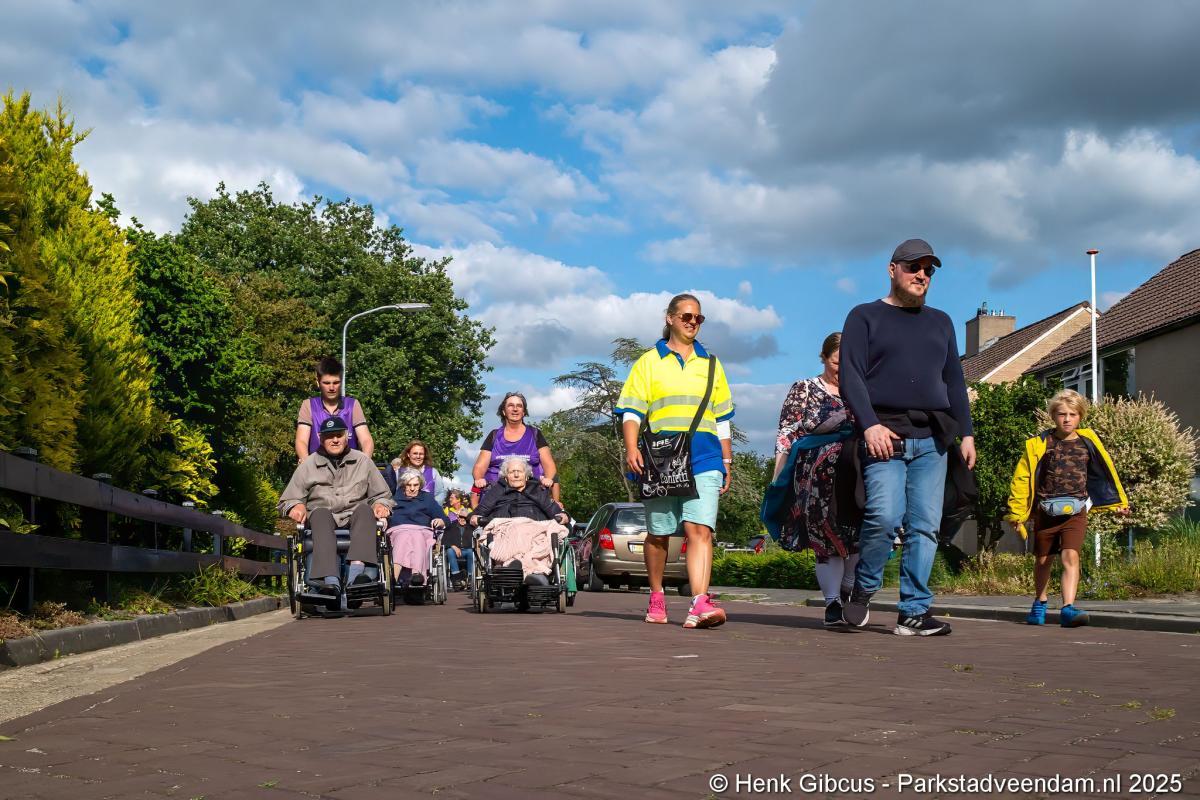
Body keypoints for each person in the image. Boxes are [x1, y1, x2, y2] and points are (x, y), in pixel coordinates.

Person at [839, 239, 975, 637]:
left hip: (933, 440)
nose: (921, 275)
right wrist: (869, 424)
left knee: (925, 527)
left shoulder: (941, 322)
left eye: (928, 270)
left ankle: (913, 611)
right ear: (892, 269)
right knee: (883, 518)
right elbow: (851, 376)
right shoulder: (864, 316)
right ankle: (863, 588)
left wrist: (966, 433)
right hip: (885, 435)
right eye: (914, 267)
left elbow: (954, 380)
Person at [616, 293, 735, 630]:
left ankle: (699, 602)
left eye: (698, 318)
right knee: (659, 533)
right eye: (686, 316)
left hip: (704, 456)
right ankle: (657, 595)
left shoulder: (712, 364)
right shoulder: (648, 362)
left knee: (700, 529)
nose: (692, 322)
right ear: (670, 318)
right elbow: (632, 411)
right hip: (661, 459)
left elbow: (722, 419)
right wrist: (631, 447)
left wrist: (726, 460)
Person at [1005, 390, 1129, 627]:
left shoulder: (1088, 442)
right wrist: (1017, 513)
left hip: (1076, 512)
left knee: (1070, 555)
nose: (1067, 419)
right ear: (1053, 416)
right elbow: (1021, 479)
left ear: (1080, 416)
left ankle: (1068, 608)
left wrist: (1117, 502)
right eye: (1062, 414)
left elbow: (1105, 473)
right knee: (1043, 560)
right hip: (1046, 513)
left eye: (1073, 414)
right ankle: (1040, 602)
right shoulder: (1039, 444)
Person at [772, 332, 859, 628]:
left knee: (859, 536)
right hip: (816, 480)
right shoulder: (805, 388)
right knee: (825, 538)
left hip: (856, 475)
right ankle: (832, 603)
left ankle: (848, 587)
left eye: (847, 362)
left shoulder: (862, 390)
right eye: (836, 362)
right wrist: (778, 476)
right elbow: (787, 433)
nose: (841, 368)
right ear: (823, 358)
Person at [278, 416, 393, 593]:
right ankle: (330, 581)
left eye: (339, 435)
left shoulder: (363, 461)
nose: (335, 440)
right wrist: (296, 506)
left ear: (347, 436)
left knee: (365, 510)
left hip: (355, 516)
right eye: (329, 436)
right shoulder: (308, 465)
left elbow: (382, 495)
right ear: (320, 438)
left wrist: (380, 504)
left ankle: (357, 575)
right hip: (322, 517)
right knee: (320, 514)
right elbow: (288, 499)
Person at [471, 457, 569, 587]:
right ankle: (530, 572)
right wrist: (474, 518)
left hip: (534, 531)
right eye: (512, 472)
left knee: (544, 535)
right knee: (515, 530)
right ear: (506, 477)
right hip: (505, 530)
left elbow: (556, 511)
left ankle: (519, 569)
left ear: (526, 476)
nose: (516, 475)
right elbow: (478, 512)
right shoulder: (496, 491)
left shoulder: (537, 490)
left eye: (520, 471)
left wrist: (563, 516)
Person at [471, 392, 560, 503]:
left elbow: (550, 466)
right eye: (510, 405)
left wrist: (548, 481)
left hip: (531, 496)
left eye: (519, 406)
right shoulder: (494, 435)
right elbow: (479, 467)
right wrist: (479, 480)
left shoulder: (535, 434)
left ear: (524, 412)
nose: (515, 409)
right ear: (504, 411)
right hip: (497, 495)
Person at [295, 357, 374, 462]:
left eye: (336, 383)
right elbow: (301, 441)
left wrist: (365, 463)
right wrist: (306, 463)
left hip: (349, 467)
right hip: (317, 466)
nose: (331, 388)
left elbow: (366, 440)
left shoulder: (353, 405)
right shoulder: (308, 405)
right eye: (326, 383)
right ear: (318, 382)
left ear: (341, 381)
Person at [386, 468, 449, 588]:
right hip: (399, 530)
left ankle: (416, 576)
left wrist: (440, 521)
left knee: (417, 536)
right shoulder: (394, 498)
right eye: (408, 485)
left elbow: (445, 519)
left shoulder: (427, 499)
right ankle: (394, 578)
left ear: (420, 485)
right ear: (403, 485)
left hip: (422, 531)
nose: (412, 488)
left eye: (415, 485)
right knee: (404, 536)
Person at [441, 490, 474, 589]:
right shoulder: (450, 519)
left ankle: (470, 577)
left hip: (467, 547)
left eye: (452, 498)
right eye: (460, 517)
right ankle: (457, 578)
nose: (461, 519)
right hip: (454, 545)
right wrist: (453, 546)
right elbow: (445, 537)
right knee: (450, 551)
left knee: (471, 552)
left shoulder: (469, 516)